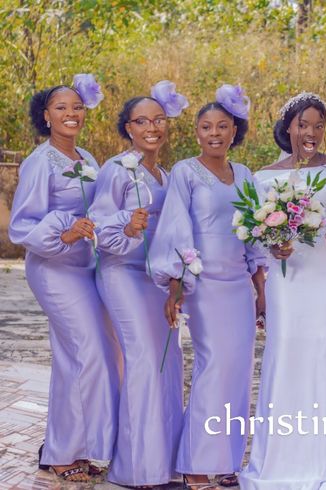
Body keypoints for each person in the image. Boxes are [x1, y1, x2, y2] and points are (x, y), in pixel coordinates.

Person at [240, 92, 326, 489]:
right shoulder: (263, 177)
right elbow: (256, 238)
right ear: (288, 127)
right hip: (287, 280)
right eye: (304, 124)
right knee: (288, 358)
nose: (311, 132)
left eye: (319, 125)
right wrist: (273, 245)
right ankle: (283, 461)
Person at [149, 84, 266, 489]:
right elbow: (176, 231)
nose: (214, 133)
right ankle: (197, 463)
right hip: (204, 287)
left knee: (238, 372)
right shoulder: (185, 171)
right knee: (212, 367)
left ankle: (227, 461)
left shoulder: (247, 176)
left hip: (239, 287)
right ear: (196, 132)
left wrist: (261, 290)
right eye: (206, 127)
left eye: (222, 126)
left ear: (235, 130)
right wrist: (175, 290)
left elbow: (254, 235)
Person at [9, 75, 119, 482]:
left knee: (84, 356)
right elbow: (22, 227)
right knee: (87, 351)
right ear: (47, 116)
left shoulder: (87, 159)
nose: (71, 114)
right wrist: (65, 231)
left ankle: (77, 445)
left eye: (77, 108)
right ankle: (60, 453)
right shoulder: (41, 162)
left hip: (84, 266)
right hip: (53, 270)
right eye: (62, 108)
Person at [89, 81, 188, 487]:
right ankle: (137, 468)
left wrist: (176, 284)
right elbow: (97, 223)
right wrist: (127, 227)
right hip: (122, 273)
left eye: (159, 119)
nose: (153, 127)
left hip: (157, 281)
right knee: (145, 360)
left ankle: (165, 463)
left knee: (169, 361)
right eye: (142, 120)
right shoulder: (116, 168)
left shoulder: (166, 174)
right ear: (127, 128)